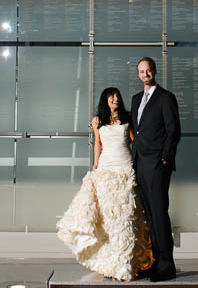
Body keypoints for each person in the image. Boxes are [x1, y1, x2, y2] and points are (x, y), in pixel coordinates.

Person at [56, 87, 154, 281]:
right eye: (112, 96)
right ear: (105, 100)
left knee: (126, 215)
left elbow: (136, 141)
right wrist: (95, 165)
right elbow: (98, 144)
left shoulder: (128, 117)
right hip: (107, 169)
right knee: (109, 216)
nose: (115, 98)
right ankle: (112, 262)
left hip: (125, 167)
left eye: (118, 95)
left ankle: (127, 262)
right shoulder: (97, 121)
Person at [131, 57, 181, 282]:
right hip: (140, 164)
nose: (145, 74)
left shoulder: (166, 98)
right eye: (141, 71)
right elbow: (135, 130)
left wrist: (165, 159)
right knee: (149, 216)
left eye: (148, 70)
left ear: (155, 71)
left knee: (160, 214)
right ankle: (154, 262)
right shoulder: (135, 99)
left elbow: (173, 131)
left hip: (157, 166)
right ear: (138, 74)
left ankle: (167, 265)